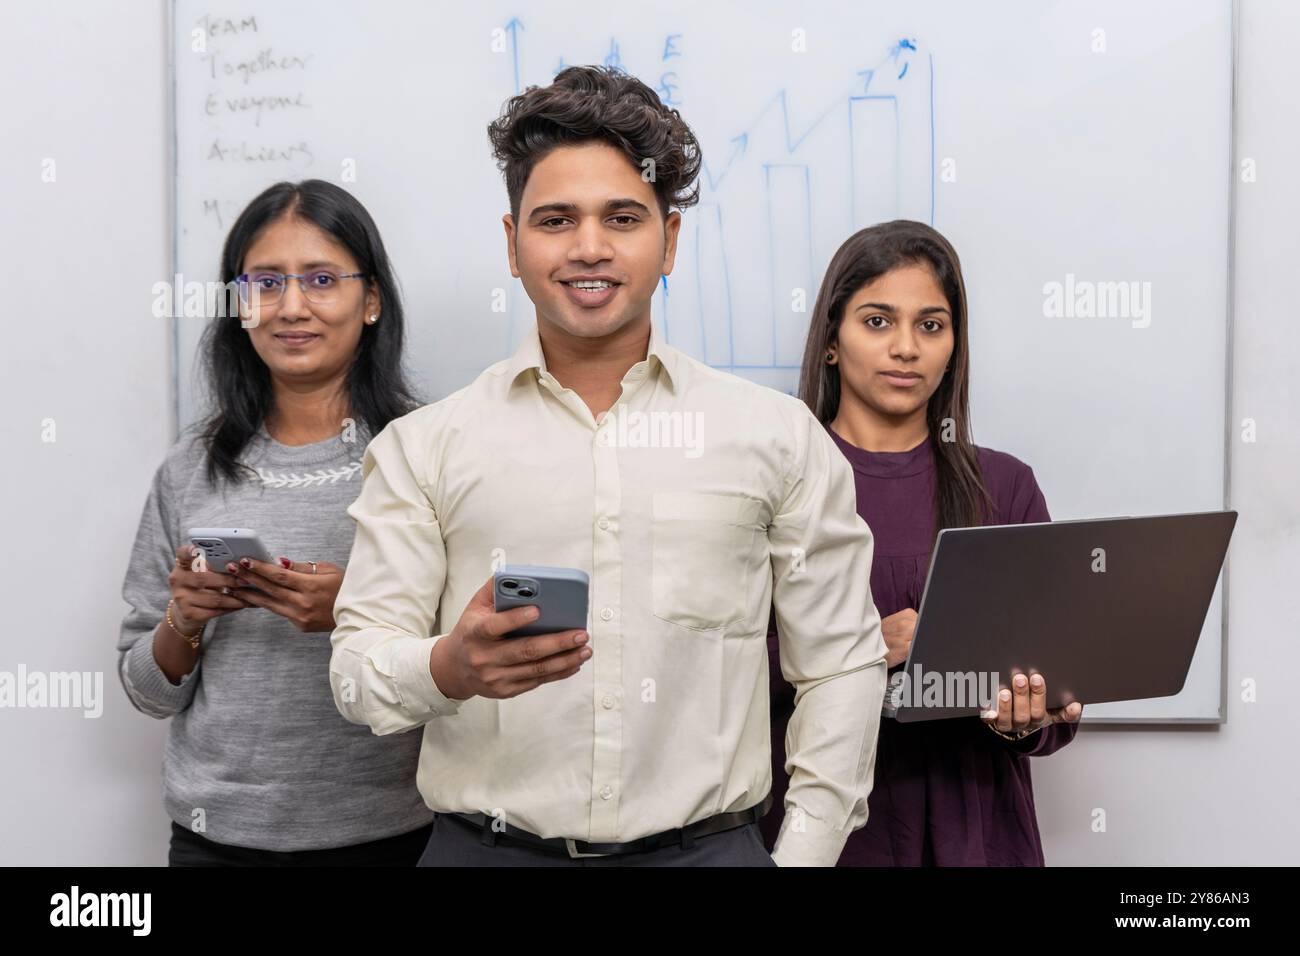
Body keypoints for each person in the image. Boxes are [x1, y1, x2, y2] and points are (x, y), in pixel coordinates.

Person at [329, 65, 888, 867]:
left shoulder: (775, 437)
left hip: (708, 852)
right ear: (512, 245)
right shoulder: (426, 448)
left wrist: (801, 855)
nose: (589, 247)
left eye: (623, 217)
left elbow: (841, 667)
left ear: (670, 239)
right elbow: (355, 671)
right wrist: (447, 666)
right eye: (555, 219)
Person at [118, 179, 432, 865]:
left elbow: (469, 661)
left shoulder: (425, 456)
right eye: (264, 283)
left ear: (371, 299)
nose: (291, 307)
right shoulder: (189, 470)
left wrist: (356, 609)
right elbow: (146, 690)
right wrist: (184, 619)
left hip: (392, 838)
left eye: (322, 279)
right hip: (216, 841)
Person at [760, 220, 1085, 866]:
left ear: (953, 344)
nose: (906, 348)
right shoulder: (772, 480)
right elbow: (713, 674)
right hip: (815, 832)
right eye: (877, 321)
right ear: (831, 340)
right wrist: (859, 651)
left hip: (976, 831)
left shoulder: (1006, 488)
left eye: (930, 325)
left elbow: (1061, 698)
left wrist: (1025, 719)